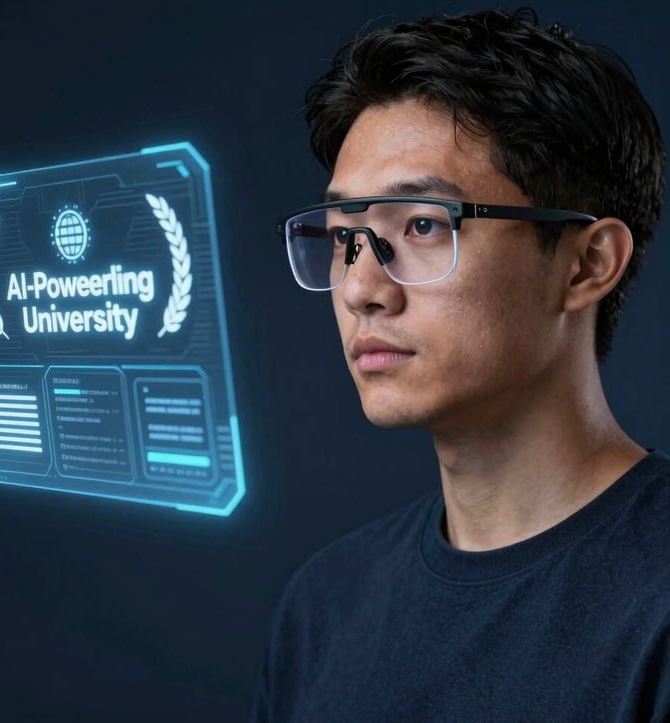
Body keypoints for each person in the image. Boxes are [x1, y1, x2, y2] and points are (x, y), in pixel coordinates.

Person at [251, 7, 669, 722]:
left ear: (588, 264)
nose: (361, 288)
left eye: (420, 225)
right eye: (345, 236)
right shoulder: (325, 604)